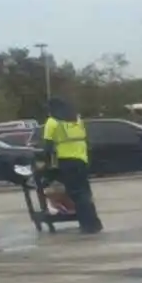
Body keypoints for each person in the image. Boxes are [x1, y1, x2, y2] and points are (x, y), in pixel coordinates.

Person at [40, 96, 102, 234]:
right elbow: (85, 139)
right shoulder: (77, 119)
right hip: (82, 159)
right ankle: (94, 223)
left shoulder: (52, 122)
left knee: (76, 194)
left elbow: (48, 145)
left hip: (66, 160)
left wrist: (44, 163)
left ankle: (87, 225)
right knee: (85, 193)